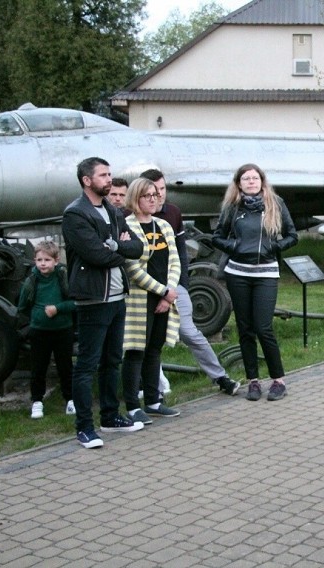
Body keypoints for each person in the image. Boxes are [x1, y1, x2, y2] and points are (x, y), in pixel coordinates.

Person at [62, 157, 145, 449]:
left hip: (117, 296)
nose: (109, 179)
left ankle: (110, 417)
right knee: (87, 364)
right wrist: (117, 248)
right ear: (87, 180)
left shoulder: (113, 209)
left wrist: (115, 246)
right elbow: (95, 255)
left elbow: (138, 247)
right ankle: (84, 427)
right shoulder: (75, 214)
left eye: (110, 174)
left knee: (112, 360)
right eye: (103, 175)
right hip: (93, 299)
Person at [141, 169, 240, 397]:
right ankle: (152, 388)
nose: (158, 196)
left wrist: (179, 285)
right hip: (146, 289)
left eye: (162, 190)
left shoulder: (173, 213)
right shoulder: (131, 219)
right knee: (147, 341)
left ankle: (220, 377)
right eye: (153, 192)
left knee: (190, 333)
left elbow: (179, 253)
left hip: (174, 285)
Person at [212, 164, 298, 401]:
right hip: (238, 273)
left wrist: (274, 246)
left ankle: (278, 380)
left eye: (255, 178)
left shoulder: (276, 204)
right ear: (239, 183)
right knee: (246, 328)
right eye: (246, 178)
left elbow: (293, 235)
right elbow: (217, 237)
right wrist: (235, 247)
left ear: (262, 181)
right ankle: (253, 382)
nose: (251, 182)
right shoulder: (232, 207)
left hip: (266, 273)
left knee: (263, 327)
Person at [120, 178, 183, 424]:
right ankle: (134, 406)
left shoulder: (164, 226)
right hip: (139, 299)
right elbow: (132, 269)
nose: (153, 199)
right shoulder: (126, 227)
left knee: (154, 349)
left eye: (156, 195)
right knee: (136, 350)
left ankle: (154, 401)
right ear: (136, 199)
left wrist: (169, 293)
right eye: (147, 195)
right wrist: (162, 291)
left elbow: (175, 261)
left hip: (164, 298)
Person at [17, 241, 75, 419]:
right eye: (39, 260)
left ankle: (71, 400)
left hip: (62, 330)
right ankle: (37, 401)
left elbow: (75, 302)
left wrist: (58, 309)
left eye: (47, 260)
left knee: (65, 367)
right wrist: (37, 317)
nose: (43, 263)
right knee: (38, 367)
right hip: (39, 331)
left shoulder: (62, 277)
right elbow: (23, 305)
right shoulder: (32, 280)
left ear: (56, 261)